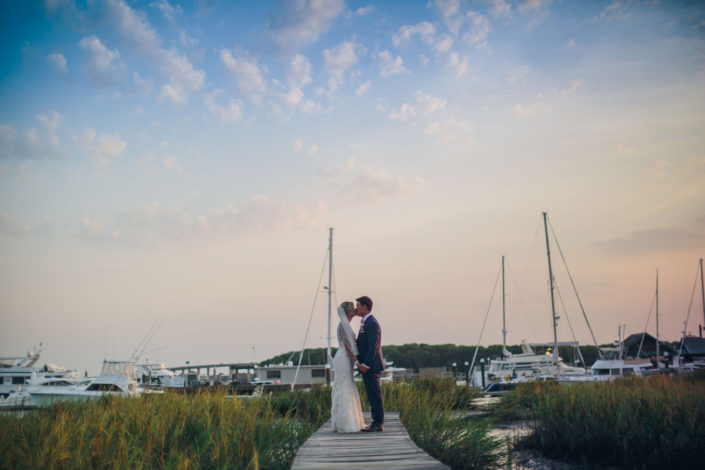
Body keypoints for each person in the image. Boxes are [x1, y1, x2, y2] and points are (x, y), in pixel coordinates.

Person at [331, 301, 365, 433]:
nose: (355, 310)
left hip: (345, 357)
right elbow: (347, 345)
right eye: (353, 309)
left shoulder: (346, 324)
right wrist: (356, 362)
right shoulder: (343, 325)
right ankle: (347, 423)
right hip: (344, 357)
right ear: (348, 312)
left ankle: (349, 420)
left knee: (348, 385)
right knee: (345, 385)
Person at [355, 295, 385, 432]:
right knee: (372, 394)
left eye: (358, 305)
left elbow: (373, 345)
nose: (356, 308)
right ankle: (376, 422)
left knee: (375, 394)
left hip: (371, 366)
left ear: (365, 307)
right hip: (367, 366)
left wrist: (366, 365)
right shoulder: (365, 322)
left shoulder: (372, 323)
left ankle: (378, 423)